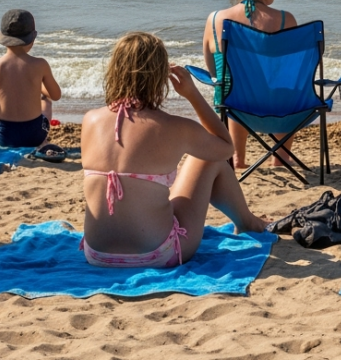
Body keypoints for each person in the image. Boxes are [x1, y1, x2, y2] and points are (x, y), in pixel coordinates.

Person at [82, 32, 267, 268]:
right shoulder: (172, 127)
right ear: (160, 76)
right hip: (157, 254)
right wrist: (193, 94)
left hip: (96, 255)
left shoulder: (90, 121)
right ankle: (247, 222)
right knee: (206, 160)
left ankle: (247, 222)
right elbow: (225, 148)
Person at [202, 0, 296, 169]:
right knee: (287, 88)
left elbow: (214, 71)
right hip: (278, 108)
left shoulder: (214, 19)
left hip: (232, 106)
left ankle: (238, 158)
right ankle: (280, 158)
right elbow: (291, 71)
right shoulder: (286, 20)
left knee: (234, 85)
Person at [0, 9, 62, 148]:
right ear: (31, 39)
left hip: (4, 137)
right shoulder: (40, 64)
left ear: (3, 39)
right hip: (34, 136)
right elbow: (56, 95)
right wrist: (39, 87)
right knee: (46, 101)